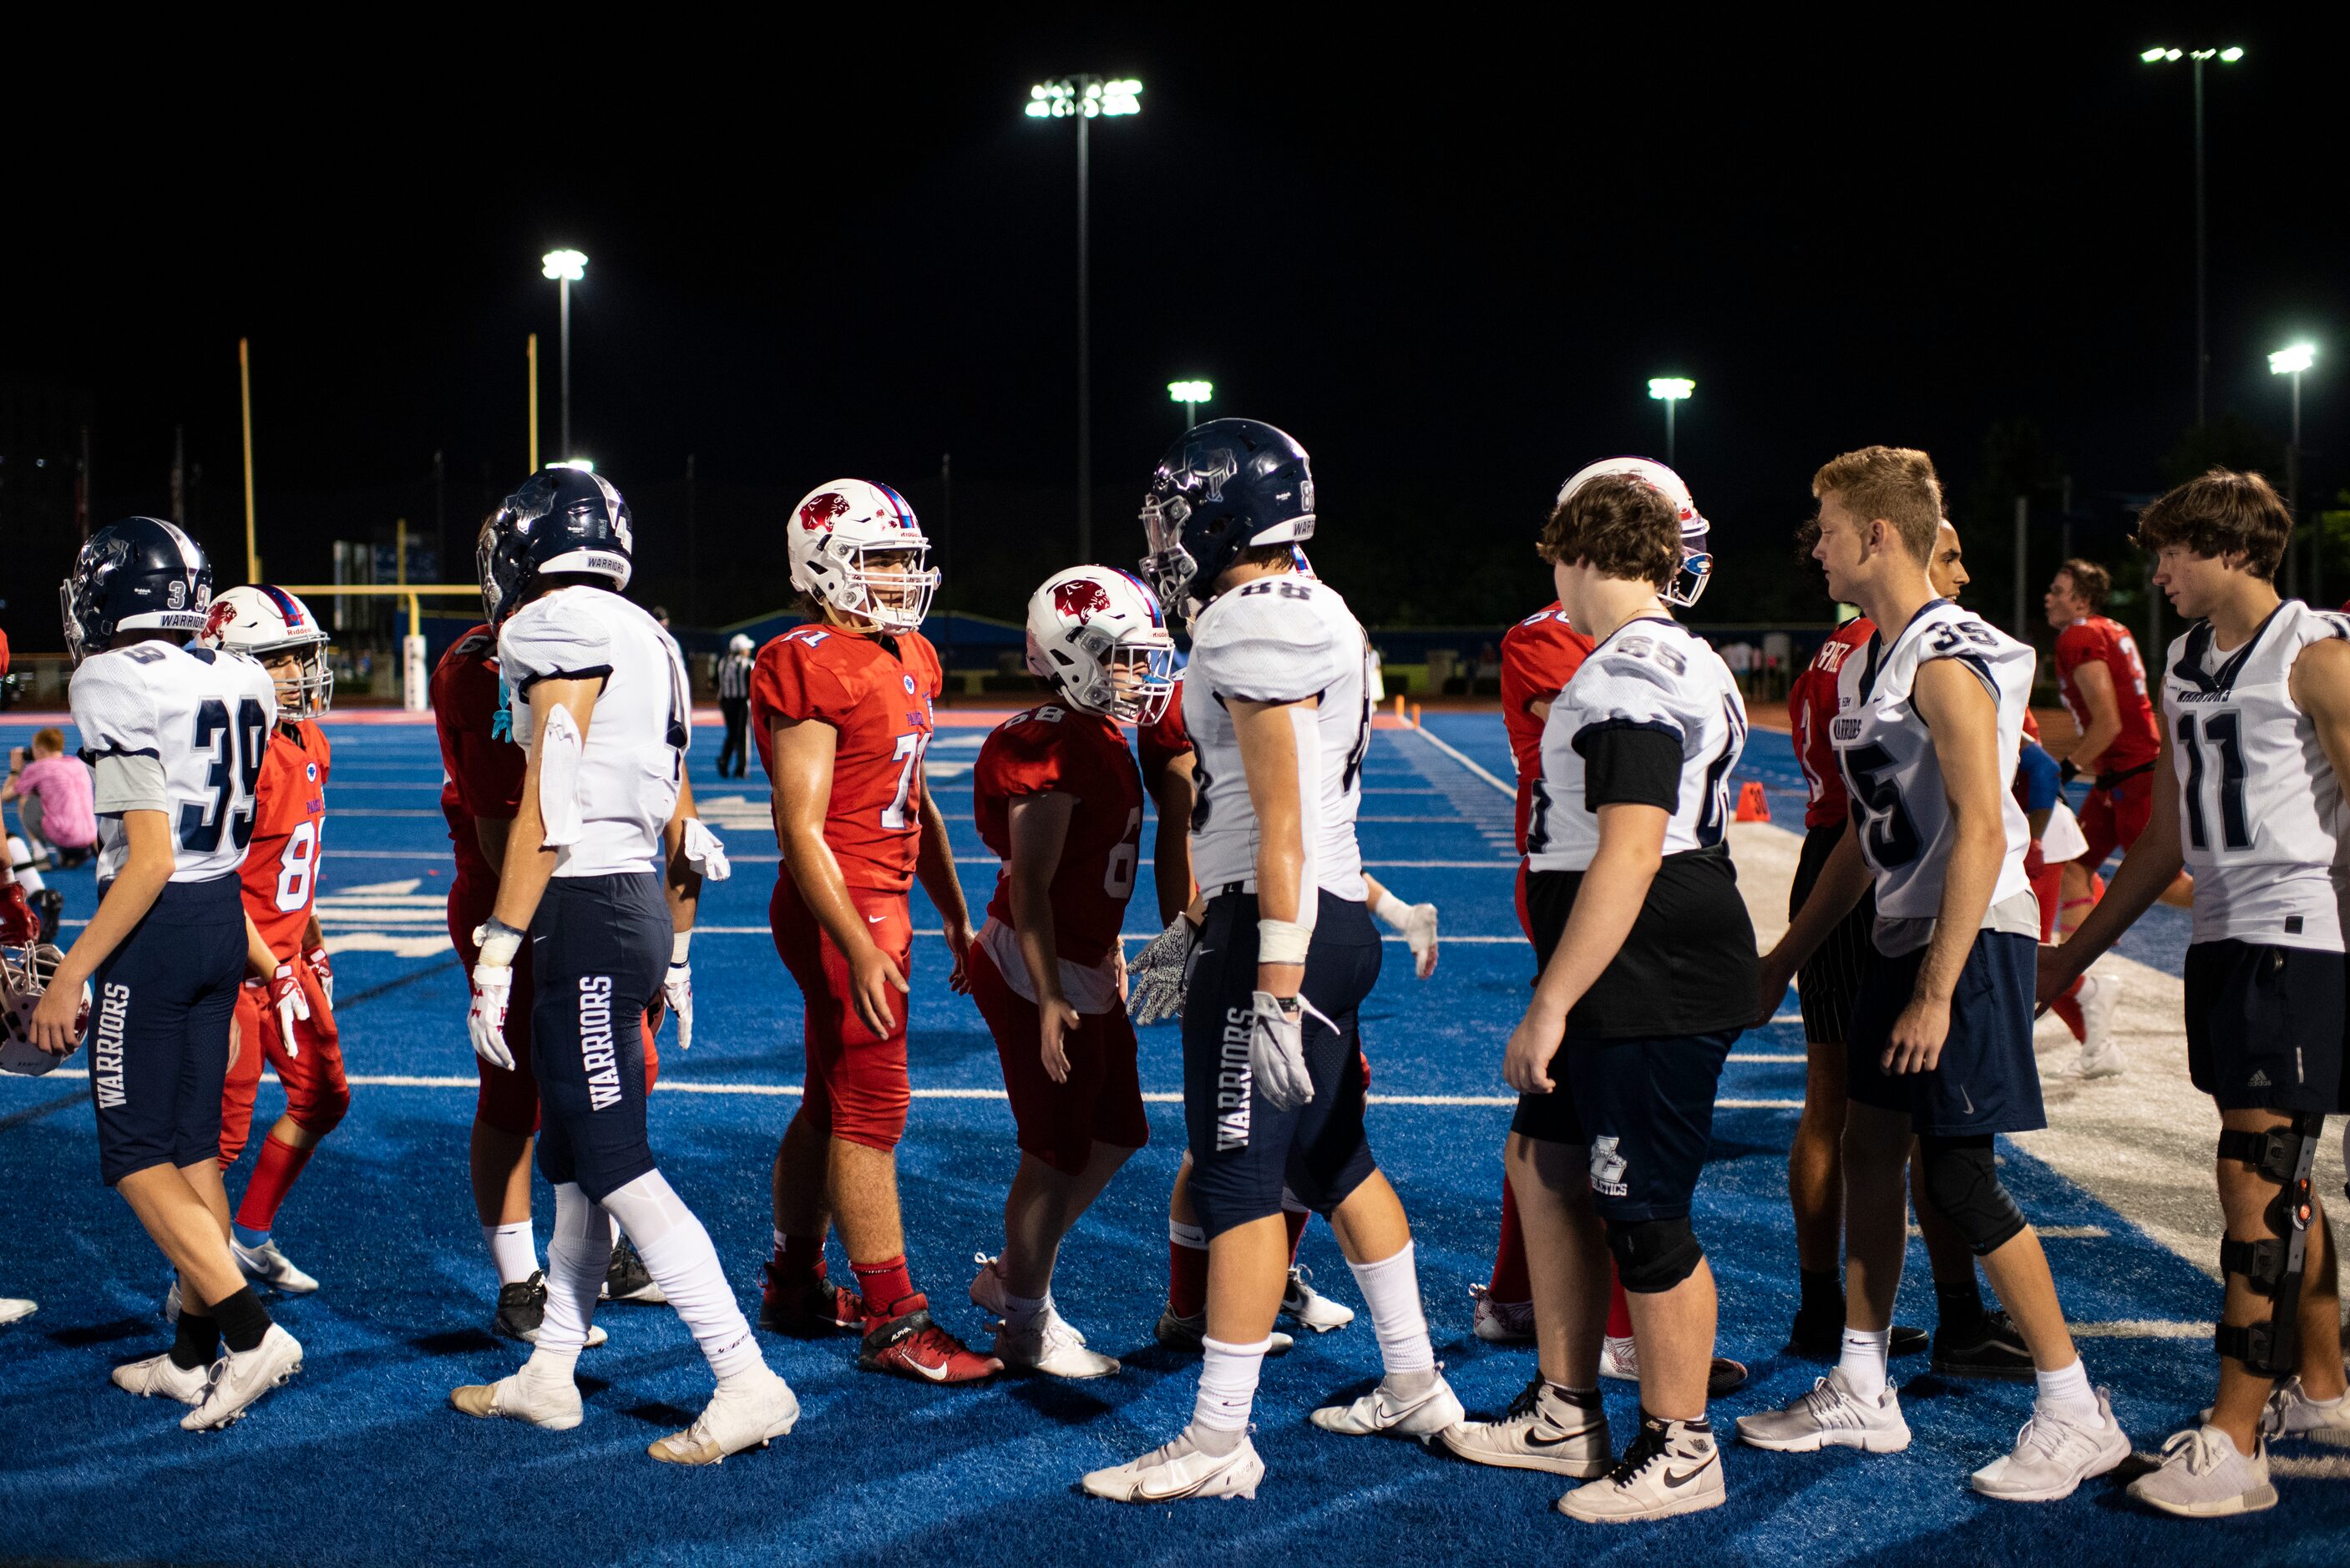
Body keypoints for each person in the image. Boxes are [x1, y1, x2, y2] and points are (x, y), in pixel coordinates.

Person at [1084, 417, 1458, 1505]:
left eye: (1176, 508)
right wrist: (1360, 908)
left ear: (1220, 512)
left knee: (1243, 1178)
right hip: (1313, 915)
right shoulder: (1311, 603)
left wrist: (1274, 986)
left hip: (1280, 933)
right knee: (1335, 1156)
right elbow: (1299, 816)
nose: (1167, 530)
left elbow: (1284, 818)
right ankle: (1415, 1380)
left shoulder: (1251, 621)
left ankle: (1217, 1439)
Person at [1740, 447, 2125, 1501]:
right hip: (1905, 931)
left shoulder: (1946, 655)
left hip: (1970, 938)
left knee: (1957, 1175)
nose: (1813, 547)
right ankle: (1863, 1379)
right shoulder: (1875, 658)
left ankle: (2074, 1405)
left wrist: (1939, 985)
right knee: (1870, 1148)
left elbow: (1986, 833)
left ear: (1878, 535)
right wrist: (1788, 955)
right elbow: (1870, 841)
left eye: (1825, 527)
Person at [449, 465, 794, 1464]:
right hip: (631, 898)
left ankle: (745, 1377)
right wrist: (677, 943)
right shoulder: (649, 634)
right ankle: (553, 1371)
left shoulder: (552, 627)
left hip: (583, 909)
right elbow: (680, 809)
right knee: (569, 1167)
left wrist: (499, 945)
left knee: (611, 1160)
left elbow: (550, 799)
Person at [1437, 458, 1749, 1523]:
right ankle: (1566, 1412)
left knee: (1644, 1209)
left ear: (1581, 551)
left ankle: (1681, 1447)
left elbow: (1631, 845)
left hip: (1645, 951)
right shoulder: (1667, 653)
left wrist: (1552, 1001)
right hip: (1640, 941)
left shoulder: (1629, 670)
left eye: (1557, 560)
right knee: (1546, 1160)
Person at [2040, 469, 2350, 1517]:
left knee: (2256, 1179)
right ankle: (2321, 1388)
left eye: (2173, 552)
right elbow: (2166, 833)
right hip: (2224, 939)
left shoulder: (2316, 655)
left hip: (2297, 940)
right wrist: (2074, 953)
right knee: (2281, 1173)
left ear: (2228, 549)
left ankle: (2234, 1442)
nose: (2159, 573)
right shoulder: (2181, 660)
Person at [30, 517, 303, 1429]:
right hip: (223, 915)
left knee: (138, 1157)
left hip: (159, 924)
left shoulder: (112, 678)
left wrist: (72, 977)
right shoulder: (237, 670)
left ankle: (251, 1333)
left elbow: (146, 857)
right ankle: (189, 1358)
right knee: (193, 1150)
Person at [752, 478, 998, 1383]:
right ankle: (896, 1321)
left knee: (830, 1102)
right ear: (821, 565)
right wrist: (858, 940)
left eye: (905, 558)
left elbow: (914, 799)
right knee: (873, 1112)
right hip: (843, 904)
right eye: (879, 559)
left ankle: (793, 1283)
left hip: (884, 898)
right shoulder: (808, 657)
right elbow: (799, 825)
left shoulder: (911, 656)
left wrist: (954, 909)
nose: (900, 577)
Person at [1778, 524, 2032, 1381]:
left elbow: (1977, 820)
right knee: (1885, 1136)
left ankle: (1862, 1328)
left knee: (1901, 1138)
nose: (1964, 575)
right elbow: (1972, 805)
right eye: (1953, 556)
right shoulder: (1882, 656)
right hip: (1891, 883)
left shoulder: (1889, 653)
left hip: (1907, 883)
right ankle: (1887, 1344)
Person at [1131, 660, 1430, 1352]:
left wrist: (1201, 932)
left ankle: (1227, 1401)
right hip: (1295, 928)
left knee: (1263, 1146)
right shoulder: (1236, 688)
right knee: (1262, 1149)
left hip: (1282, 928)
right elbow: (1239, 840)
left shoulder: (1251, 680)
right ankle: (1405, 1369)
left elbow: (1291, 842)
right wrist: (1193, 928)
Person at [433, 591, 661, 1345]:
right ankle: (518, 1282)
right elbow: (509, 833)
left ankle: (598, 1254)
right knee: (514, 1096)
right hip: (520, 898)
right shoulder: (485, 666)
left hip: (588, 896)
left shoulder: (602, 637)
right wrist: (509, 937)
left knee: (615, 1078)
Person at [964, 566, 1174, 1377]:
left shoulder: (1097, 736)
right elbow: (1034, 889)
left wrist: (1105, 949)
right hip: (1036, 968)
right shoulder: (1047, 744)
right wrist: (1049, 995)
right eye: (1123, 658)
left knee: (1120, 1130)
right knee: (1051, 1153)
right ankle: (1023, 1323)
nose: (1140, 675)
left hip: (1081, 962)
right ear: (1071, 653)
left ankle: (1011, 1280)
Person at [200, 586, 350, 1297]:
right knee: (218, 1141)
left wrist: (310, 942)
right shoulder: (232, 755)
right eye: (276, 658)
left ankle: (250, 1236)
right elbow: (215, 882)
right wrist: (272, 966)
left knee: (322, 1097)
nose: (296, 673)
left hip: (286, 962)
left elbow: (297, 861)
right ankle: (196, 1288)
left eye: (299, 656)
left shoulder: (307, 739)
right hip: (235, 967)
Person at [2044, 558, 2158, 1076]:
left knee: (2164, 881)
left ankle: (2234, 908)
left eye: (2059, 590)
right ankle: (2084, 979)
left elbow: (2108, 723)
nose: (2049, 596)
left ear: (2082, 600)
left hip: (2134, 775)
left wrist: (2064, 770)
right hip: (2123, 774)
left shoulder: (2079, 637)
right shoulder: (2108, 629)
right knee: (2074, 865)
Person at [6, 727, 97, 869]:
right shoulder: (78, 764)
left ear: (40, 750)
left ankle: (40, 854)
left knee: (25, 799)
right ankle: (73, 854)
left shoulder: (39, 768)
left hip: (63, 836)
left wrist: (15, 769)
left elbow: (5, 797)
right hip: (89, 837)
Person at [716, 632, 754, 779]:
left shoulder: (723, 662)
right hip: (742, 702)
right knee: (743, 735)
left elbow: (716, 682)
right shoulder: (747, 664)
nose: (749, 650)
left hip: (725, 702)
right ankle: (741, 769)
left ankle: (724, 760)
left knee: (732, 733)